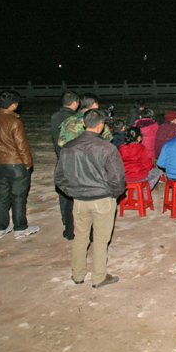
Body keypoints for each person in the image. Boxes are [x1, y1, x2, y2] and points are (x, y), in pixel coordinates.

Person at [54, 109, 125, 288]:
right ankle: (99, 277)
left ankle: (77, 275)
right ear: (101, 126)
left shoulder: (69, 147)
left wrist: (73, 192)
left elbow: (59, 178)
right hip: (102, 199)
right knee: (101, 240)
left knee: (80, 238)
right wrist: (114, 194)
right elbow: (117, 178)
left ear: (84, 124)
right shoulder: (107, 148)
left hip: (79, 201)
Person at [0, 90, 38, 240]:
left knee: (1, 196)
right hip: (15, 164)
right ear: (13, 105)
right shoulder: (14, 122)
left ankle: (0, 228)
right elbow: (22, 146)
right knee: (18, 196)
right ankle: (20, 228)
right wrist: (28, 164)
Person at [51, 90, 79, 240]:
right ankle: (74, 224)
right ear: (75, 102)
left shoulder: (55, 117)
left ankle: (66, 221)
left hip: (61, 157)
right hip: (73, 160)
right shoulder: (73, 119)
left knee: (64, 192)